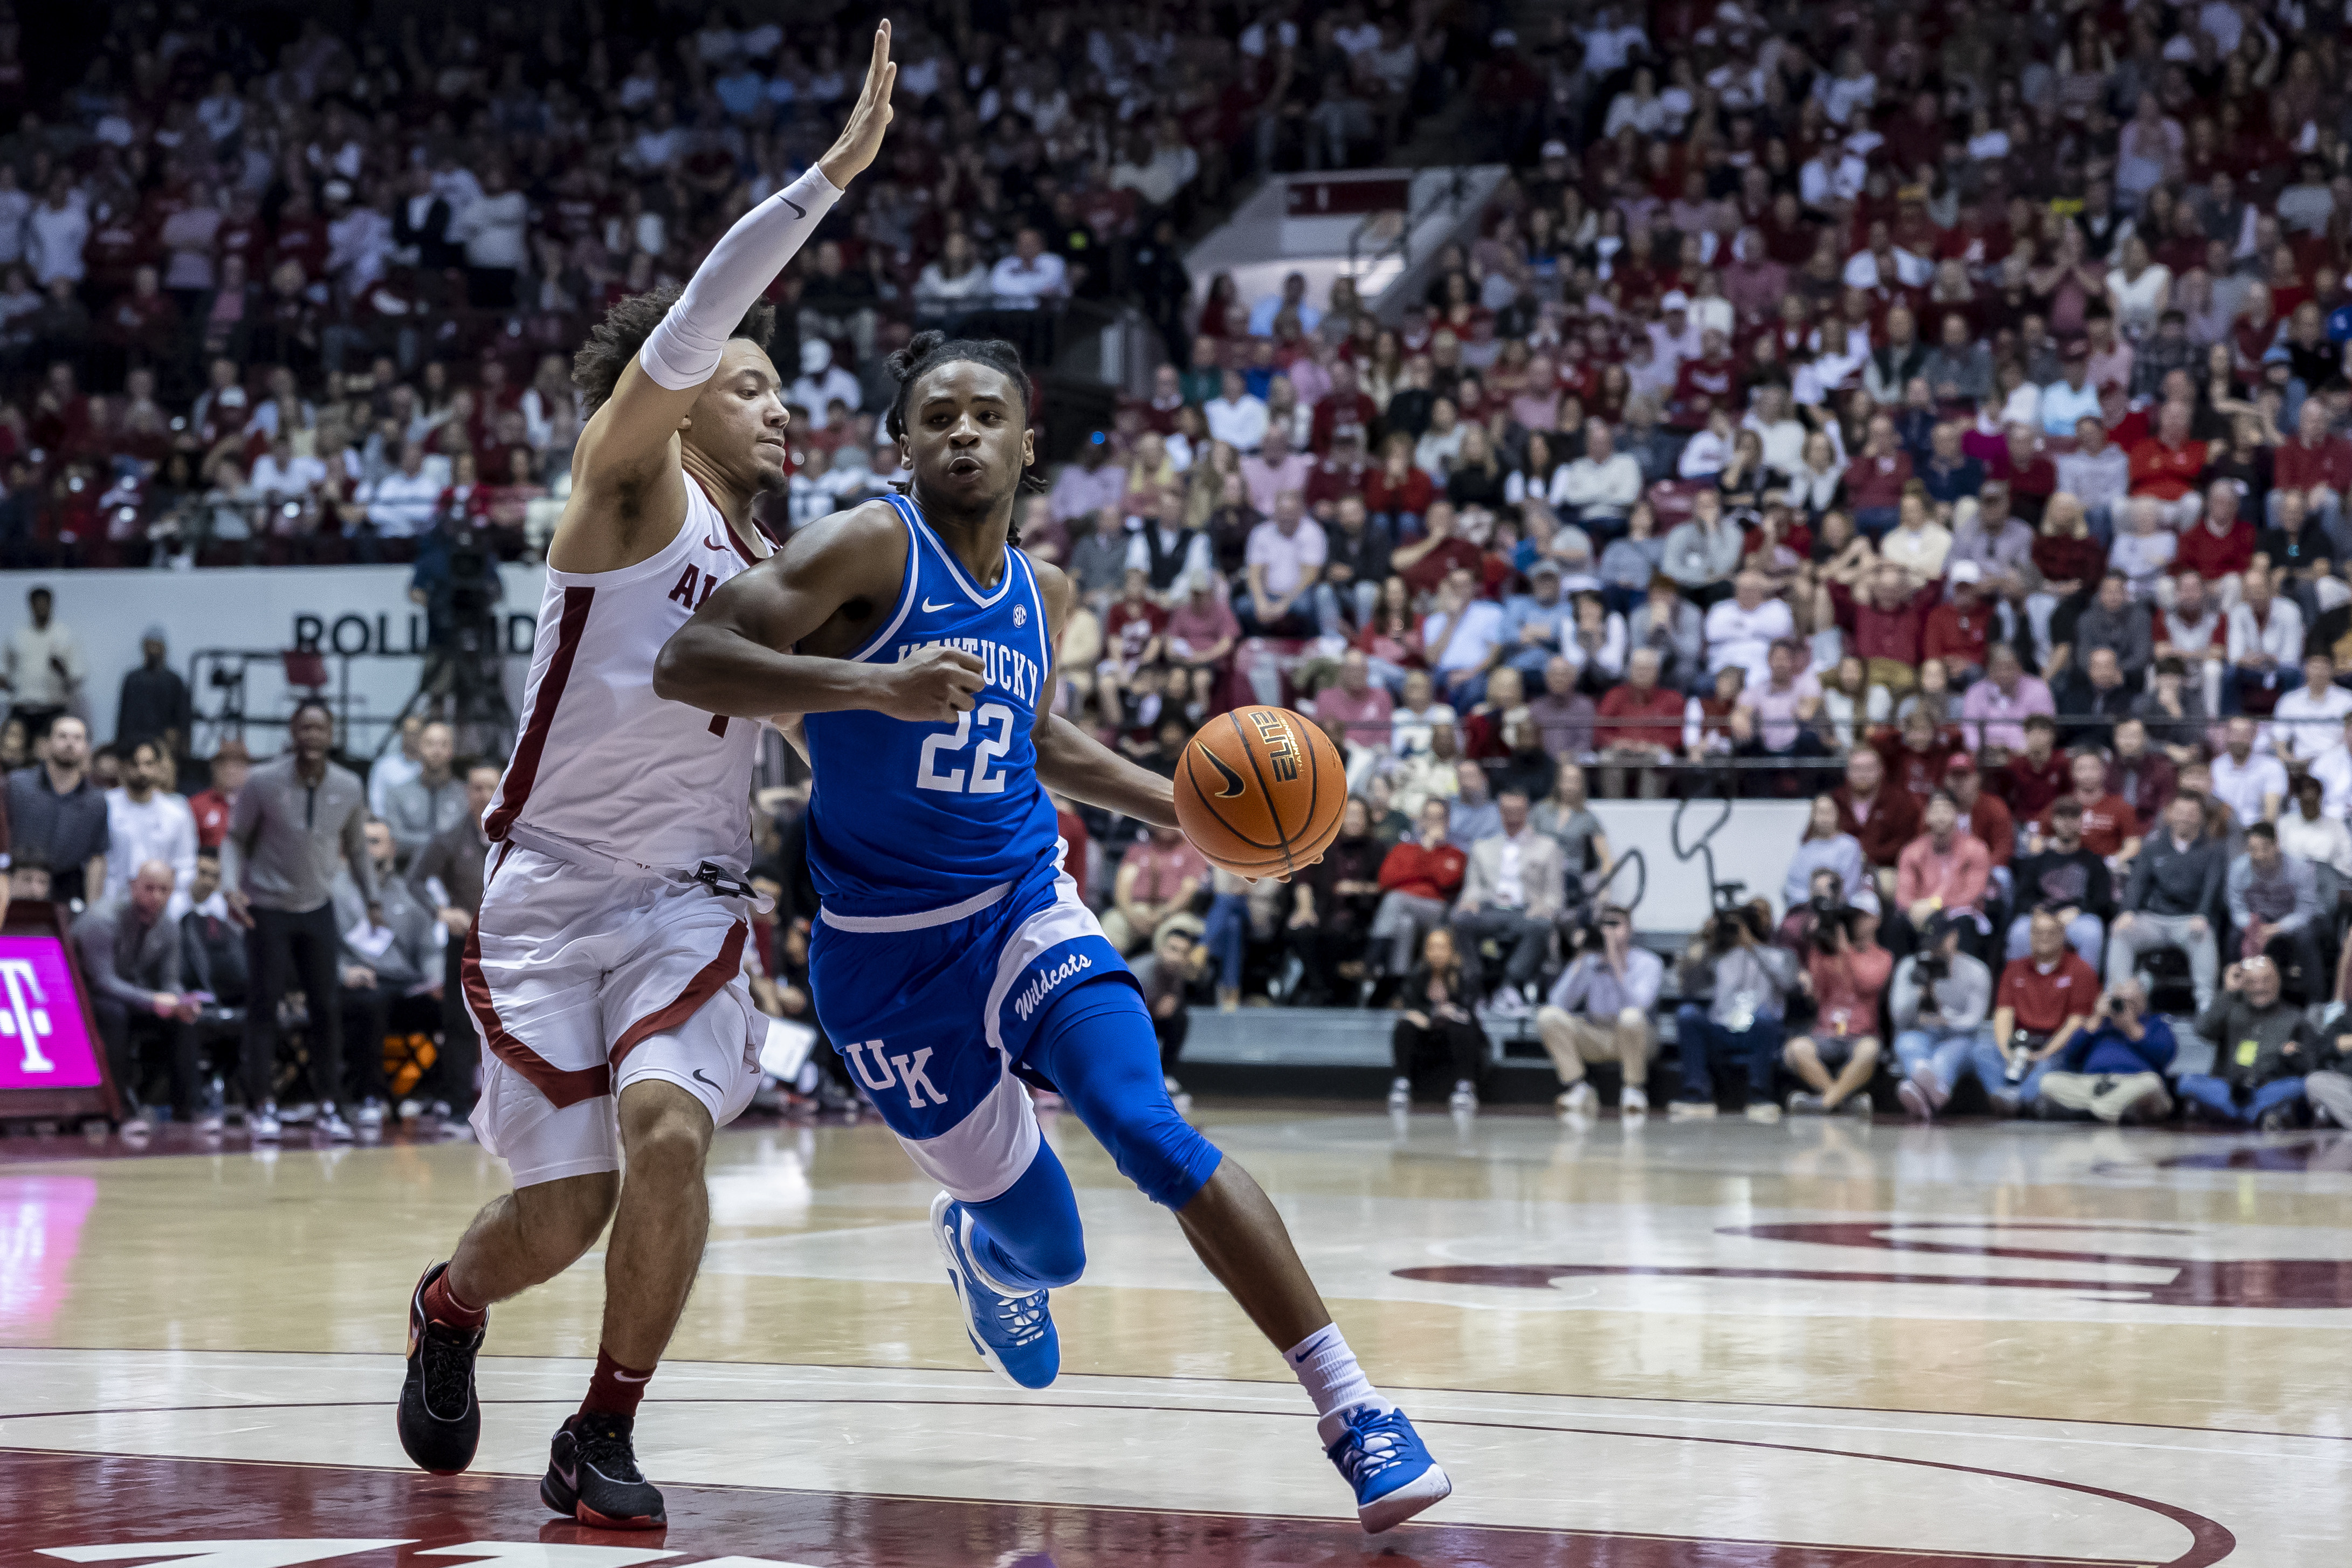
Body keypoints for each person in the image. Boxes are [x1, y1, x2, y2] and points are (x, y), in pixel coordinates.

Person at [655, 319, 1451, 1526]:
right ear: (902, 445)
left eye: (987, 415)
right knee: (1053, 1247)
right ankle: (986, 1252)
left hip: (1025, 901)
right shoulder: (869, 543)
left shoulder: (1048, 588)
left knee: (1147, 1124)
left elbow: (1023, 732)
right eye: (938, 418)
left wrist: (1192, 809)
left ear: (1031, 443)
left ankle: (1358, 1413)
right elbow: (690, 658)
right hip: (884, 963)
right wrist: (874, 683)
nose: (963, 432)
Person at [390, 33, 899, 1529]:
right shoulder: (628, 491)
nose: (779, 405)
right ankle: (448, 1303)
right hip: (547, 890)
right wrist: (831, 175)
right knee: (563, 1207)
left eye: (783, 389)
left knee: (668, 1132)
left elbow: (830, 736)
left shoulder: (785, 580)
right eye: (751, 383)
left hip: (687, 901)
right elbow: (694, 316)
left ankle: (599, 1429)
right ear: (675, 404)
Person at [221, 700, 377, 1144]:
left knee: (326, 1006)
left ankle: (329, 1103)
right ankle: (262, 1104)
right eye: (304, 727)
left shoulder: (349, 786)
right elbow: (234, 838)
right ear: (293, 733)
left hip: (318, 905)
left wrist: (373, 899)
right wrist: (231, 886)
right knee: (265, 1004)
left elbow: (359, 848)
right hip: (268, 905)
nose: (312, 735)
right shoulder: (263, 781)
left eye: (320, 728)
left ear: (331, 735)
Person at [71, 858, 204, 1136]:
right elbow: (103, 982)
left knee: (184, 1020)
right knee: (113, 1012)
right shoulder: (101, 920)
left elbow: (170, 982)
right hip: (83, 1000)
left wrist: (181, 1002)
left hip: (131, 996)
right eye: (149, 888)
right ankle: (120, 1111)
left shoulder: (169, 926)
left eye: (164, 890)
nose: (156, 896)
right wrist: (155, 1000)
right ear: (133, 887)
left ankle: (188, 1110)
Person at [405, 761, 499, 1124]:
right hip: (464, 945)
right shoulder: (449, 838)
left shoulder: (514, 832)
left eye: (490, 787)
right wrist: (440, 911)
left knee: (509, 1023)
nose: (483, 795)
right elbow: (414, 880)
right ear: (466, 793)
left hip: (509, 943)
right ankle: (459, 1107)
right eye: (476, 788)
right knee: (460, 1024)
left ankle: (510, 1107)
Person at [1672, 901, 1798, 1121]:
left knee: (1766, 1019)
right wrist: (1704, 939)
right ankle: (1696, 1095)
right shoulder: (1719, 956)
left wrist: (1752, 945)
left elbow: (1788, 981)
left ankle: (1759, 1097)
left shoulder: (1782, 955)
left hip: (1759, 1033)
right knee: (1687, 1014)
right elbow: (1688, 987)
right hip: (1721, 1029)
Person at [1537, 905, 1660, 1119]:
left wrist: (1615, 963)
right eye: (1604, 924)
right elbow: (1558, 1001)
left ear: (1630, 929)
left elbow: (1639, 1005)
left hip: (1635, 1038)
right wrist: (1581, 957)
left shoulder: (1648, 962)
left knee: (1631, 1018)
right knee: (1548, 1016)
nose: (1608, 931)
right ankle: (1578, 1088)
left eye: (1615, 924)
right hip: (1596, 1033)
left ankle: (1634, 1089)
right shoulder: (1590, 960)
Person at [2107, 792, 2225, 1011]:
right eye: (2180, 813)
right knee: (2121, 932)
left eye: (2191, 814)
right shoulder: (2153, 847)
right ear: (2170, 815)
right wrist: (2127, 912)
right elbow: (2137, 883)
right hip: (2155, 918)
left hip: (2189, 919)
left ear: (2201, 817)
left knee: (2204, 935)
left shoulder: (2214, 849)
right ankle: (2118, 997)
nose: (2185, 818)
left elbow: (2213, 887)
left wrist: (2203, 914)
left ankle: (2206, 1004)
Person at [1450, 788, 1563, 1012]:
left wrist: (1545, 907)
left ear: (1527, 812)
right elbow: (1472, 887)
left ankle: (1511, 983)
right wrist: (1470, 901)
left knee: (1542, 925)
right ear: (1500, 813)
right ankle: (1475, 981)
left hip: (1526, 910)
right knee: (1460, 919)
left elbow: (1554, 895)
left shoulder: (1547, 847)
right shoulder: (1482, 847)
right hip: (1489, 908)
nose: (1512, 818)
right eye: (1507, 811)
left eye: (1518, 812)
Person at [1983, 909, 2101, 1116]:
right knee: (1982, 1052)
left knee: (2048, 1066)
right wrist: (2008, 1053)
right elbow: (2003, 1014)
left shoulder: (2081, 971)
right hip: (2021, 1042)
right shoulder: (2014, 969)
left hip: (2057, 1043)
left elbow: (2075, 1024)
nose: (2044, 938)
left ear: (2062, 935)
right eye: (2038, 933)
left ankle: (2019, 1099)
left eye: (2050, 933)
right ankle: (2007, 1097)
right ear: (2030, 936)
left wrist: (2042, 1055)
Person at [1783, 903, 1890, 1117]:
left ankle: (1821, 1103)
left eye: (1862, 917)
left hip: (1860, 1035)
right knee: (1796, 1049)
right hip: (1827, 1033)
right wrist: (1817, 942)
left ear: (1876, 921)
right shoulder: (1826, 955)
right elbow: (1817, 994)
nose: (1855, 922)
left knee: (1869, 1051)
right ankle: (1842, 1101)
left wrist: (1845, 950)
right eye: (1852, 917)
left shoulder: (1882, 957)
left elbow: (1866, 984)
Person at [2179, 955, 2312, 1128]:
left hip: (2267, 1089)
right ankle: (2254, 1116)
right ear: (2243, 985)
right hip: (2228, 1090)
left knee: (2301, 1085)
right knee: (2186, 1081)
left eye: (2266, 981)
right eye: (2253, 982)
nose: (2260, 988)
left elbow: (2309, 1062)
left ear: (2278, 981)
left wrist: (2289, 1057)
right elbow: (2203, 1030)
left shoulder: (2294, 1018)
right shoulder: (2232, 1007)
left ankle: (2241, 1115)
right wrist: (2227, 993)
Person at [1889, 913, 1995, 1120]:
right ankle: (1931, 1087)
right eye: (1929, 943)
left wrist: (1947, 1020)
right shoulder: (1909, 967)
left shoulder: (1977, 971)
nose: (1934, 949)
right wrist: (1919, 993)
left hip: (1958, 1038)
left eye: (1939, 941)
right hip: (1919, 1032)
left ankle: (1919, 1089)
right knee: (1908, 1044)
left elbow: (1975, 1020)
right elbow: (1898, 1016)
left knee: (1947, 1055)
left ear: (1954, 937)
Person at [2034, 980, 2176, 1124]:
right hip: (2094, 1084)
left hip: (2131, 1084)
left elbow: (2165, 1055)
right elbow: (2071, 1055)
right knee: (2049, 1081)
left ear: (2144, 1002)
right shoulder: (2099, 1024)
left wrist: (2131, 1028)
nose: (2123, 1006)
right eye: (2118, 1000)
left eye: (2130, 1001)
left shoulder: (2155, 1024)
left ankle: (2088, 1111)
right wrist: (2096, 1018)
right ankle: (2108, 1111)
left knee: (2151, 1083)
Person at [7, 714, 108, 904]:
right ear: (46, 744)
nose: (70, 744)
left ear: (87, 748)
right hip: (19, 881)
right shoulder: (17, 785)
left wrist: (93, 905)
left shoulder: (97, 800)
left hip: (68, 887)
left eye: (77, 738)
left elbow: (97, 857)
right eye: (63, 737)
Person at [1388, 926, 1487, 1115]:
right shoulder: (1417, 978)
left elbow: (1471, 1015)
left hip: (1456, 1042)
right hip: (1427, 1041)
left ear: (1452, 951)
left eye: (1442, 947)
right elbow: (1410, 1007)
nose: (1437, 953)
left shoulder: (1466, 977)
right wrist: (1429, 1013)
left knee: (1461, 1027)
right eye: (1432, 947)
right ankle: (1402, 1082)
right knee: (1405, 1026)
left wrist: (1452, 1012)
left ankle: (1465, 1085)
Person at [1371, 798, 1467, 982]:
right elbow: (1386, 880)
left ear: (1447, 822)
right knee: (1405, 924)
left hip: (1436, 908)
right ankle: (1399, 981)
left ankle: (1374, 956)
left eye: (1438, 818)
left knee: (1395, 899)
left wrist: (1429, 851)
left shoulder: (1455, 854)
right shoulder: (1403, 849)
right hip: (1403, 908)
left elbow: (1447, 882)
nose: (1433, 823)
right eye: (1429, 817)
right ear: (1421, 820)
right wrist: (1424, 861)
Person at [2226, 822, 2326, 999]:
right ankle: (2233, 996)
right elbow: (2237, 908)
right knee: (2234, 937)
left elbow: (2305, 911)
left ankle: (2316, 1002)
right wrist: (2254, 926)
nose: (2258, 855)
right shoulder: (2238, 869)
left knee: (2306, 938)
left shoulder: (2300, 869)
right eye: (2253, 849)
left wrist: (2276, 928)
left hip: (2291, 920)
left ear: (2276, 846)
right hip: (2256, 920)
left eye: (2264, 849)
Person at [2007, 798, 2113, 965]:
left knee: (2092, 933)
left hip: (2077, 918)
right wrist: (2039, 911)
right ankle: (2018, 987)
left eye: (2073, 817)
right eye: (2062, 817)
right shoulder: (2038, 860)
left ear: (2081, 821)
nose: (2067, 823)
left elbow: (2102, 901)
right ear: (2053, 821)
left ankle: (2086, 988)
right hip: (2042, 916)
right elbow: (2022, 898)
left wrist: (2078, 911)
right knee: (2019, 932)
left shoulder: (2094, 861)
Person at [101, 738, 196, 909]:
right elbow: (96, 862)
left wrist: (173, 905)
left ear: (158, 767)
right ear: (122, 767)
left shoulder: (177, 814)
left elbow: (186, 866)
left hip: (161, 906)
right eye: (135, 764)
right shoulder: (105, 807)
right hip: (112, 901)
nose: (142, 771)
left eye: (149, 764)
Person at [1101, 824, 1208, 953]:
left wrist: (1163, 914)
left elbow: (1189, 890)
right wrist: (1131, 915)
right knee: (1111, 924)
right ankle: (1110, 972)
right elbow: (1123, 885)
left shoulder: (1191, 850)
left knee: (1174, 938)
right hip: (1137, 909)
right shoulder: (1140, 847)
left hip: (1173, 913)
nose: (1165, 824)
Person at [2, 585, 86, 735]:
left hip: (53, 710)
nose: (41, 608)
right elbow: (3, 672)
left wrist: (61, 669)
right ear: (31, 605)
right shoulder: (17, 636)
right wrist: (13, 688)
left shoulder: (65, 636)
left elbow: (77, 678)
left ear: (51, 604)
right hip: (22, 708)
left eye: (45, 604)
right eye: (37, 604)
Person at [383, 720, 468, 865]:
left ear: (451, 751)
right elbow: (395, 840)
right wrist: (438, 845)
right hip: (407, 871)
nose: (437, 750)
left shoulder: (466, 795)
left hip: (453, 877)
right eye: (430, 744)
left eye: (443, 744)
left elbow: (469, 842)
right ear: (420, 747)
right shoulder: (397, 793)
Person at [1785, 793, 1879, 914]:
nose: (1825, 818)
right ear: (1813, 816)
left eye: (1829, 812)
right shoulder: (1806, 848)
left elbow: (1849, 885)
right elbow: (1792, 885)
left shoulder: (1849, 845)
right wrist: (1810, 902)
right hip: (1807, 908)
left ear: (1837, 815)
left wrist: (1827, 900)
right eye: (1820, 813)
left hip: (1842, 907)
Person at [114, 625, 191, 759]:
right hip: (134, 744)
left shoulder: (173, 680)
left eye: (157, 646)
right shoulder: (133, 679)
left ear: (164, 649)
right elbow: (124, 717)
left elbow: (183, 716)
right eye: (150, 646)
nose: (153, 651)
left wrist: (182, 743)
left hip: (164, 745)